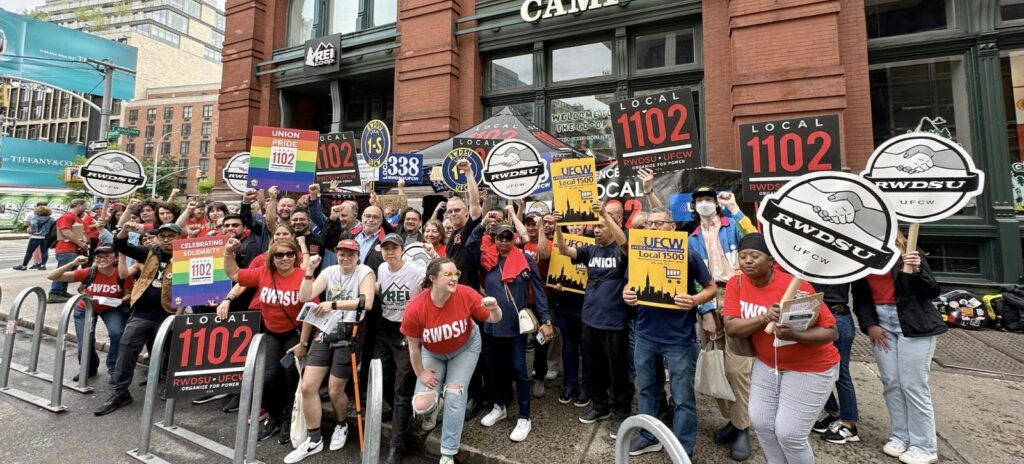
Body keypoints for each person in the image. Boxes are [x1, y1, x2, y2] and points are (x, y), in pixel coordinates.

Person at [721, 233, 840, 464]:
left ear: (770, 260)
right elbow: (732, 326)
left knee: (789, 434)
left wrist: (796, 334)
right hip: (767, 364)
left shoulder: (795, 285)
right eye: (743, 256)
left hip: (810, 367)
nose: (747, 261)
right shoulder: (736, 283)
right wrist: (765, 317)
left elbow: (831, 331)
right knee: (762, 424)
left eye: (755, 256)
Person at [622, 208, 717, 457]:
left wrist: (695, 299)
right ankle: (648, 436)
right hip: (644, 333)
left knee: (683, 397)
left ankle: (684, 447)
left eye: (659, 223)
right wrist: (627, 294)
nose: (653, 228)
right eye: (649, 224)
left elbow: (711, 288)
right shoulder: (639, 254)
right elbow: (631, 285)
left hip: (678, 339)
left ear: (671, 227)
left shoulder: (688, 255)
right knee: (646, 389)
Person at [400, 258, 502, 464]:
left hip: (465, 348)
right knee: (422, 405)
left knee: (455, 395)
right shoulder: (416, 308)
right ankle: (436, 403)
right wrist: (421, 373)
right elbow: (413, 346)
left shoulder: (465, 294)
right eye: (448, 274)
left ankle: (447, 452)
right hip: (433, 353)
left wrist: (494, 308)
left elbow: (494, 319)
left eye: (456, 274)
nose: (454, 278)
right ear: (433, 279)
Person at [852, 239, 945, 464]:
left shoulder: (908, 251)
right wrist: (870, 324)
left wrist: (917, 270)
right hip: (881, 323)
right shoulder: (861, 253)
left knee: (913, 384)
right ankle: (900, 436)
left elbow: (932, 290)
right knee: (891, 382)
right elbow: (860, 294)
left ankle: (924, 445)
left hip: (913, 321)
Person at [285, 240, 376, 463]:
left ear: (357, 256)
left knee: (335, 389)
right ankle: (314, 439)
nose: (345, 259)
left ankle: (341, 424)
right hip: (325, 330)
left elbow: (367, 302)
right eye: (341, 254)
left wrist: (333, 305)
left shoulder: (365, 271)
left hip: (350, 331)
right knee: (308, 386)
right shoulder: (329, 271)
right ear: (336, 254)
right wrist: (308, 272)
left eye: (350, 255)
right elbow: (305, 296)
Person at [688, 186, 758, 460]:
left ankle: (742, 427)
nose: (705, 204)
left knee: (738, 369)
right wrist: (705, 310)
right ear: (694, 206)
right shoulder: (692, 236)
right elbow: (695, 275)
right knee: (716, 365)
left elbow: (754, 238)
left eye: (708, 199)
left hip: (737, 295)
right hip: (709, 296)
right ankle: (732, 419)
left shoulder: (732, 224)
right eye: (700, 200)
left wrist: (735, 208)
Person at [554, 200, 632, 436]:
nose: (596, 230)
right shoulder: (591, 249)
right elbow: (564, 251)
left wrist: (605, 216)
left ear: (615, 223)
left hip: (615, 321)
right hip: (590, 319)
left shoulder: (621, 248)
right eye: (595, 227)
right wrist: (558, 226)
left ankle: (621, 413)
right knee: (594, 368)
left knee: (617, 371)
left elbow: (627, 244)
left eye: (601, 226)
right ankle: (600, 407)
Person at [474, 223, 553, 442]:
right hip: (491, 324)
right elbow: (471, 250)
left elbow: (538, 290)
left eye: (508, 238)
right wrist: (481, 224)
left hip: (515, 327)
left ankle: (525, 417)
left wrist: (545, 319)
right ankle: (499, 406)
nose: (504, 242)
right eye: (500, 237)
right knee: (492, 368)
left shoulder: (525, 260)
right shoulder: (486, 260)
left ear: (514, 238)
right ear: (495, 239)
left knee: (519, 369)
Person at [224, 237, 307, 442]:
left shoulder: (303, 277)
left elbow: (309, 312)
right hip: (272, 333)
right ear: (272, 258)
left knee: (289, 376)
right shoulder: (263, 273)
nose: (285, 258)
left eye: (290, 254)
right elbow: (234, 273)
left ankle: (288, 420)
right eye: (279, 255)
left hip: (294, 333)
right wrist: (228, 252)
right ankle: (274, 417)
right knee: (269, 378)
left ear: (296, 256)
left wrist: (303, 343)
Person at [95, 222, 182, 416]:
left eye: (171, 236)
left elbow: (194, 287)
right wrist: (125, 230)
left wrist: (180, 313)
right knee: (126, 349)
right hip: (143, 313)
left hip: (169, 313)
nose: (167, 241)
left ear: (180, 237)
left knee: (166, 350)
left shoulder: (189, 255)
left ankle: (163, 381)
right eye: (163, 236)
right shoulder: (150, 251)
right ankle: (120, 391)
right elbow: (122, 246)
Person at [374, 233, 427, 464]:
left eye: (394, 248)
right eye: (386, 248)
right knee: (380, 376)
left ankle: (396, 445)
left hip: (407, 331)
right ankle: (397, 412)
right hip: (385, 329)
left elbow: (432, 284)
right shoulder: (382, 270)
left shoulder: (415, 270)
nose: (390, 252)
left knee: (402, 387)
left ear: (402, 250)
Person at [47, 247, 132, 382]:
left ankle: (113, 368)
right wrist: (72, 263)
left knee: (117, 334)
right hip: (85, 308)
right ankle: (88, 368)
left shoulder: (121, 274)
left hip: (112, 308)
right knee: (85, 340)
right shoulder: (89, 272)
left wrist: (126, 297)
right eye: (98, 257)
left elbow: (128, 292)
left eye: (107, 257)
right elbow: (52, 276)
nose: (102, 260)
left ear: (115, 258)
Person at [810, 283, 861, 444]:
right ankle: (832, 413)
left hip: (836, 316)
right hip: (814, 316)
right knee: (816, 369)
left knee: (841, 373)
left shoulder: (840, 266)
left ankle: (848, 423)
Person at [49, 199, 90, 303]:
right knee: (63, 270)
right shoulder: (67, 216)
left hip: (73, 249)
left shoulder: (75, 218)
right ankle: (55, 292)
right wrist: (80, 243)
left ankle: (62, 291)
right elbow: (66, 231)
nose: (86, 207)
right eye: (85, 205)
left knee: (68, 271)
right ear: (78, 205)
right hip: (66, 248)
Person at [15, 204, 54, 271]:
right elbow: (53, 227)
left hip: (36, 237)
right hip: (46, 237)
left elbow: (33, 225)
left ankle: (24, 266)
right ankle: (42, 265)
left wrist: (34, 231)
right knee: (44, 252)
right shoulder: (51, 218)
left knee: (29, 252)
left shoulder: (35, 218)